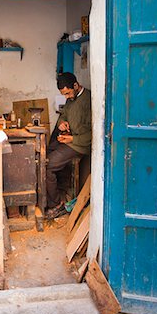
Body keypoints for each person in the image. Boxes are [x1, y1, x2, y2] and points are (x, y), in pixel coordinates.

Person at [45, 72, 91, 219]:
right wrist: (62, 124)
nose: (66, 97)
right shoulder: (71, 99)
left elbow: (94, 134)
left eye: (68, 93)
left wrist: (72, 139)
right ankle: (50, 192)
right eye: (63, 94)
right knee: (44, 153)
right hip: (69, 140)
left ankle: (57, 204)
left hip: (80, 145)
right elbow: (63, 116)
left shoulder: (88, 100)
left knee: (47, 165)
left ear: (76, 85)